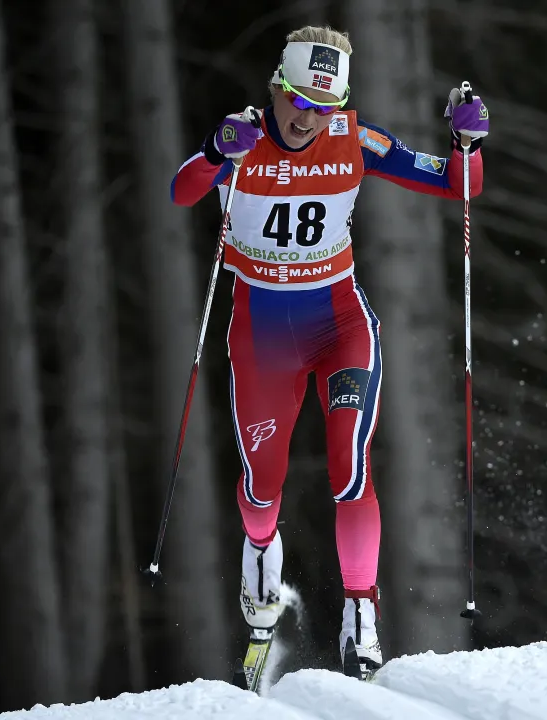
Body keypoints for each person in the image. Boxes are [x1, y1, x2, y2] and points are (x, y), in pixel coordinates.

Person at [170, 24, 488, 672]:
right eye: (297, 101)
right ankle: (259, 561)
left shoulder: (354, 139)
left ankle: (360, 616)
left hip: (338, 324)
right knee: (263, 486)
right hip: (261, 336)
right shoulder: (245, 139)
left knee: (349, 465)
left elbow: (455, 182)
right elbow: (182, 190)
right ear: (276, 90)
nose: (308, 119)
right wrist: (212, 150)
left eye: (324, 107)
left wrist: (467, 145)